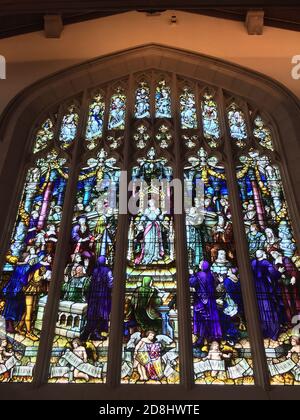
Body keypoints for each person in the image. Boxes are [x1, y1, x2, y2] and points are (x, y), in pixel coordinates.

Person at [251, 250, 283, 340]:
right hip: (264, 288)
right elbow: (274, 274)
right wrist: (279, 272)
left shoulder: (253, 262)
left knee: (261, 309)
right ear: (262, 254)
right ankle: (273, 331)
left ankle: (264, 331)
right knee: (269, 308)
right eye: (263, 252)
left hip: (255, 288)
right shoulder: (265, 262)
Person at [190, 261, 222, 347]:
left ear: (203, 266)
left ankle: (201, 339)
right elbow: (217, 284)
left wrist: (192, 274)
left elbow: (191, 283)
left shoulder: (198, 275)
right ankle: (211, 337)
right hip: (210, 301)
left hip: (200, 301)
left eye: (200, 264)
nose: (199, 265)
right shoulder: (211, 275)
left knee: (201, 320)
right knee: (210, 318)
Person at [80, 256, 113, 341]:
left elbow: (91, 283)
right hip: (103, 296)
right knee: (101, 314)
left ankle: (87, 335)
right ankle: (94, 333)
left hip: (94, 296)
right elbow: (110, 283)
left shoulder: (95, 271)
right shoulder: (108, 271)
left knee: (94, 314)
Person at [270, 248, 300, 322]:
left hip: (292, 282)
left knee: (296, 297)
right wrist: (279, 274)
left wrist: (293, 277)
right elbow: (274, 274)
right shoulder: (274, 262)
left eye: (273, 253)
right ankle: (293, 318)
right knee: (288, 301)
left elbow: (293, 269)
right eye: (271, 254)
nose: (273, 255)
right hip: (283, 285)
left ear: (278, 252)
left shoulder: (285, 259)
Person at [134, 200, 165, 265]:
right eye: (150, 202)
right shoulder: (147, 210)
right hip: (148, 226)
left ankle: (155, 255)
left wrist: (162, 214)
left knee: (155, 241)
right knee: (147, 241)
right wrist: (140, 223)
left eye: (152, 202)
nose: (151, 203)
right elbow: (144, 217)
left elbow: (160, 218)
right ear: (148, 203)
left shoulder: (157, 210)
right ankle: (147, 255)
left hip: (156, 227)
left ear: (154, 202)